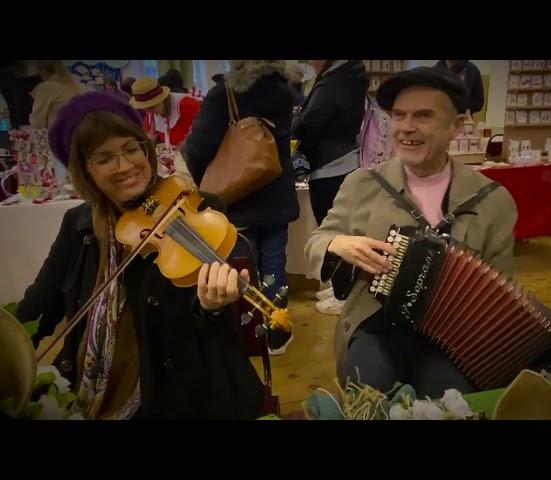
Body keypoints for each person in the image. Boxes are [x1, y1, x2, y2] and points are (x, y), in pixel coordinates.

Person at [16, 91, 263, 419]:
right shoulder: (78, 224)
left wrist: (212, 309)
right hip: (88, 388)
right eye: (104, 159)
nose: (125, 166)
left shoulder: (195, 209)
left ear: (145, 149)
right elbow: (39, 304)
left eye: (131, 149)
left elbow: (213, 336)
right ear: (85, 171)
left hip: (173, 393)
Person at [304, 66, 518, 398]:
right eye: (399, 115)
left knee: (451, 402)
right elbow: (317, 242)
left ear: (457, 126)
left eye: (423, 116)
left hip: (455, 335)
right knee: (367, 396)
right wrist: (339, 242)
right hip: (376, 324)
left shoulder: (493, 201)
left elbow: (504, 291)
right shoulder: (362, 184)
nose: (406, 128)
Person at [184, 60, 299, 355]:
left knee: (240, 268)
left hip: (236, 198)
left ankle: (248, 335)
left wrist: (204, 183)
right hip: (277, 196)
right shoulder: (284, 92)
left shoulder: (226, 93)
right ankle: (277, 332)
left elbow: (197, 149)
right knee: (274, 264)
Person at [292, 60, 369, 315]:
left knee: (334, 231)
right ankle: (339, 286)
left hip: (330, 164)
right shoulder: (348, 75)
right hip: (339, 159)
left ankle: (342, 294)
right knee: (338, 227)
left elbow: (309, 126)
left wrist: (296, 121)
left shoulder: (334, 81)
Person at [129, 76, 201, 148]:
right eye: (145, 108)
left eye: (153, 106)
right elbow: (148, 138)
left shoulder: (187, 105)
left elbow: (207, 129)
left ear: (162, 98)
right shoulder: (150, 115)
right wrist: (149, 139)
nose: (150, 112)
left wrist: (190, 141)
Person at [29, 60, 89, 129]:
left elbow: (37, 123)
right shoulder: (82, 86)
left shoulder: (46, 87)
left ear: (42, 71)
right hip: (83, 135)